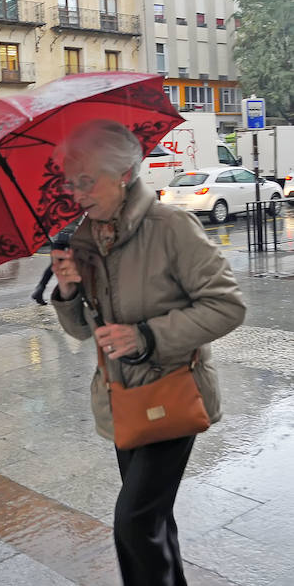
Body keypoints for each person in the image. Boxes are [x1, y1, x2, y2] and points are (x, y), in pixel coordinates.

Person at [48, 119, 246, 585]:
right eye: (71, 182)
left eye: (87, 180)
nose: (77, 193)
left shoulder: (170, 226)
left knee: (134, 524)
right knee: (153, 523)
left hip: (174, 392)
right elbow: (82, 332)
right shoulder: (83, 239)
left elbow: (228, 305)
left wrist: (146, 337)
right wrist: (68, 291)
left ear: (122, 174)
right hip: (122, 400)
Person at [30, 214, 82, 305]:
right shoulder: (76, 207)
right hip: (70, 237)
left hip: (57, 237)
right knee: (71, 265)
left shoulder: (60, 205)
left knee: (55, 265)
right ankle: (70, 295)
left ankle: (40, 288)